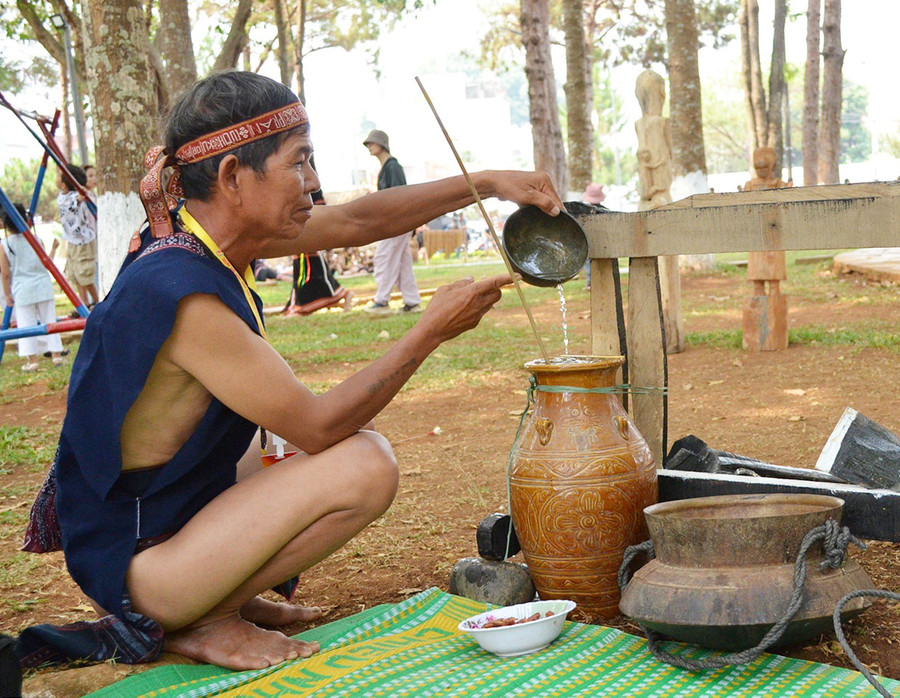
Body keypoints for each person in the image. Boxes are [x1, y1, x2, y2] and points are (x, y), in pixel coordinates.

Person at [18, 70, 564, 672]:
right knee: (364, 463)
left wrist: (485, 183)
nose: (313, 182)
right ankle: (201, 616)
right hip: (143, 571)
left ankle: (217, 590)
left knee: (301, 440)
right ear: (232, 176)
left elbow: (358, 222)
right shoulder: (183, 293)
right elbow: (318, 425)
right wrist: (430, 329)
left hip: (152, 529)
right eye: (299, 162)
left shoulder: (201, 237)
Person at [361, 129, 422, 315]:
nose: (369, 146)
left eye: (372, 143)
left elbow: (399, 196)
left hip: (397, 222)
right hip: (399, 222)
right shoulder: (387, 167)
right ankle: (412, 302)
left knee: (384, 258)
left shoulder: (392, 167)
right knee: (403, 264)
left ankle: (382, 302)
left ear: (382, 144)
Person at [0, 203, 65, 371]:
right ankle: (56, 355)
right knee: (50, 320)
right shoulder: (36, 239)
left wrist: (7, 294)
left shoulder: (6, 245)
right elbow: (46, 263)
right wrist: (53, 249)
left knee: (26, 325)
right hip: (43, 285)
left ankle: (33, 360)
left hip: (22, 289)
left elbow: (5, 273)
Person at [284, 181, 354, 315]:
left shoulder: (305, 178)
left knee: (311, 266)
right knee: (304, 263)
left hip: (308, 218)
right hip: (302, 217)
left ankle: (304, 305)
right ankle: (299, 304)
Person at [52, 164, 98, 306]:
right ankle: (84, 303)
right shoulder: (64, 197)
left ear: (64, 184)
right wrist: (79, 197)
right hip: (72, 241)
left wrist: (81, 196)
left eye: (59, 175)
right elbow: (68, 203)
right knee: (75, 275)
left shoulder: (78, 196)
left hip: (84, 241)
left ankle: (96, 301)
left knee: (85, 274)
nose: (56, 177)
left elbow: (78, 200)